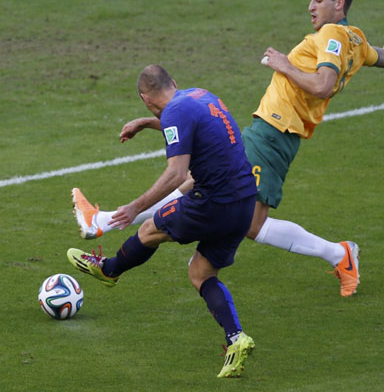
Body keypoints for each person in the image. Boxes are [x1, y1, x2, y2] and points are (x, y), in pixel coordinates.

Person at [73, 0, 384, 298]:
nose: (311, 6)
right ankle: (103, 222)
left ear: (339, 4)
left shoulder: (332, 37)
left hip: (274, 135)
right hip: (271, 132)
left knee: (239, 214)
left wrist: (285, 65)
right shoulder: (353, 38)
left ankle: (105, 222)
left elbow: (323, 86)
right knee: (205, 184)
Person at [68, 65, 258, 378]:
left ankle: (109, 270)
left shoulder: (175, 113)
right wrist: (146, 123)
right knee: (201, 272)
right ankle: (236, 338)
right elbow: (190, 125)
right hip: (244, 201)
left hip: (213, 203)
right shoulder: (199, 95)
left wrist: (134, 206)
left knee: (148, 228)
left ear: (146, 98)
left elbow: (177, 174)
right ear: (174, 83)